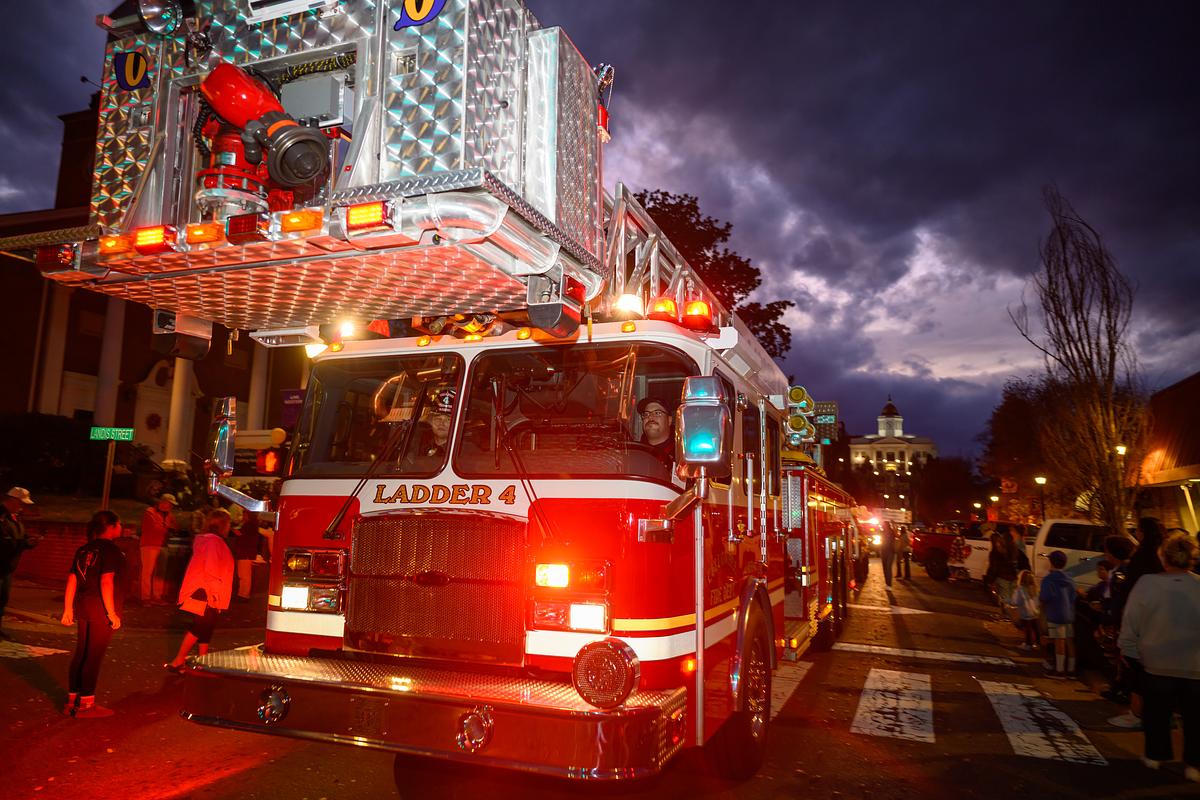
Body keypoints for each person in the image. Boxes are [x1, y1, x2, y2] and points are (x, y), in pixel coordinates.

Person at [1117, 532, 1200, 781]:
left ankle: (1156, 755)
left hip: (1156, 662)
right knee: (1195, 718)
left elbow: (1131, 620)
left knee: (1157, 714)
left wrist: (1128, 649)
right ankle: (1194, 764)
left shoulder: (1147, 584)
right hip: (1195, 663)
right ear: (1191, 559)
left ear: (1163, 557)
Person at [61, 510, 126, 718]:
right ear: (112, 526)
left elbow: (72, 580)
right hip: (101, 609)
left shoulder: (83, 549)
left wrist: (68, 609)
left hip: (83, 606)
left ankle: (73, 700)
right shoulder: (111, 551)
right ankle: (86, 704)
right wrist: (112, 613)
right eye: (119, 524)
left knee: (81, 653)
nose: (121, 527)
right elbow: (106, 581)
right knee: (93, 656)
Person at [1110, 518, 1167, 729]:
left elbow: (1132, 592)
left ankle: (1136, 712)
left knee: (1135, 664)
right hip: (1162, 623)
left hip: (1141, 618)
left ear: (1142, 533)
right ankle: (1159, 714)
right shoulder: (1161, 556)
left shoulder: (1142, 557)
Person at [165, 509, 234, 672]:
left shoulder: (210, 540)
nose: (230, 526)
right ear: (222, 524)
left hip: (205, 590)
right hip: (205, 591)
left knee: (206, 626)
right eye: (228, 523)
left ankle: (202, 660)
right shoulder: (213, 542)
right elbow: (211, 569)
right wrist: (215, 594)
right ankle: (179, 660)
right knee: (201, 627)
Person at [0, 486, 39, 639]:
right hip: (1, 565)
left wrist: (30, 540)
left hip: (7, 567)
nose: (22, 507)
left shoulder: (14, 517)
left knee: (2, 599)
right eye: (20, 503)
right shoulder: (2, 517)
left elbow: (18, 535)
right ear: (12, 500)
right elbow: (3, 542)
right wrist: (24, 543)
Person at [1040, 549, 1077, 677]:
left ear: (1051, 562)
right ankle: (1071, 669)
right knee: (1069, 641)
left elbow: (1044, 597)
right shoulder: (1069, 578)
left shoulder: (1049, 579)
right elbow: (1073, 596)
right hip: (1069, 613)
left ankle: (1059, 670)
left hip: (1055, 613)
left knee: (1059, 641)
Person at [138, 493, 177, 605]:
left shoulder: (169, 515)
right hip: (149, 544)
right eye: (170, 504)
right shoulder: (150, 512)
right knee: (148, 572)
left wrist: (170, 529)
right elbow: (153, 528)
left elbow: (175, 527)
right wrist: (168, 529)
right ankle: (145, 598)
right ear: (163, 502)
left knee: (159, 573)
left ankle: (157, 596)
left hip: (162, 545)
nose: (171, 507)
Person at [230, 511, 262, 601]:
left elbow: (241, 534)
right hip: (246, 552)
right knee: (244, 574)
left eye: (244, 514)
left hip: (245, 553)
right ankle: (242, 594)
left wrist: (232, 529)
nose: (243, 516)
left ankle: (243, 595)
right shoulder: (252, 525)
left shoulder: (249, 525)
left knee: (244, 574)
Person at [636, 397, 674, 466]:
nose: (650, 417)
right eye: (646, 414)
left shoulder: (680, 456)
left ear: (669, 420)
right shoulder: (634, 454)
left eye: (657, 413)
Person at [1011, 569, 1041, 651]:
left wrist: (1010, 602)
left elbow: (1015, 601)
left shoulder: (1020, 589)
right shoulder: (1035, 589)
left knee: (1027, 629)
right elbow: (1038, 601)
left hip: (1026, 612)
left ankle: (1028, 644)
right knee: (1035, 628)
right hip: (1035, 612)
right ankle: (1038, 644)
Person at [880, 521, 896, 588]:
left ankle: (889, 584)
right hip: (884, 551)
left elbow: (895, 533)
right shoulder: (883, 532)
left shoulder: (891, 532)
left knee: (888, 567)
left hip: (890, 552)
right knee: (885, 568)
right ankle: (887, 584)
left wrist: (893, 524)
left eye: (883, 525)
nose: (882, 526)